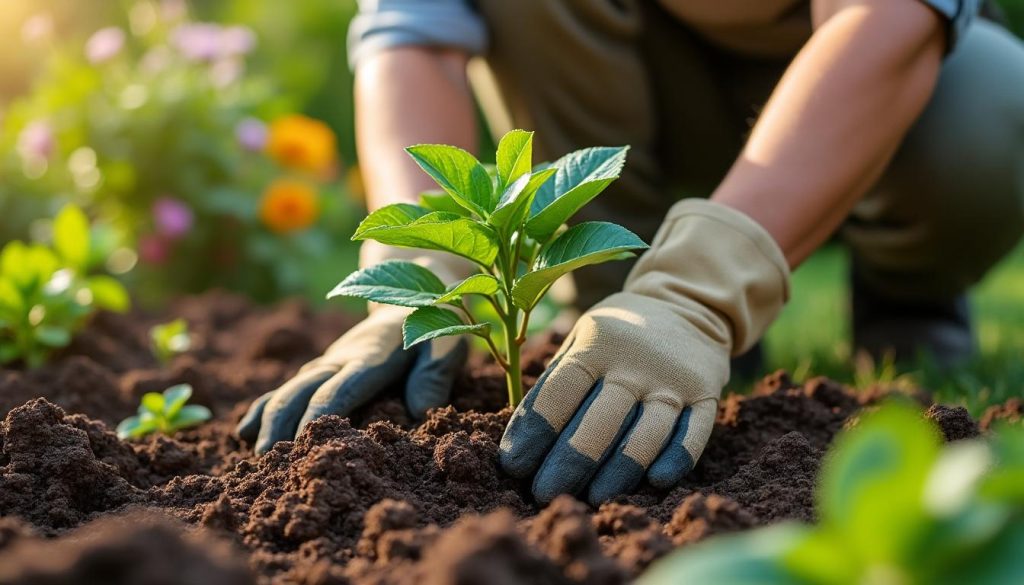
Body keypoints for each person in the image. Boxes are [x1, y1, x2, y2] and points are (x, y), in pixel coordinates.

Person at [237, 0, 1024, 506]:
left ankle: (907, 289)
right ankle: (619, 288)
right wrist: (426, 279)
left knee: (995, 109)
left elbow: (887, 14)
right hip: (635, 101)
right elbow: (410, 37)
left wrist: (699, 290)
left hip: (859, 98)